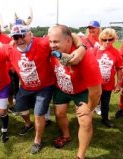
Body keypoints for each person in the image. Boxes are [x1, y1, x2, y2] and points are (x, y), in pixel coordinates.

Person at [6, 24, 86, 154]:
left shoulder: (43, 43)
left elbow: (71, 35)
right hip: (25, 87)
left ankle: (37, 140)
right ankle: (28, 124)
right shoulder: (10, 49)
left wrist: (82, 47)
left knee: (39, 114)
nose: (19, 39)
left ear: (30, 34)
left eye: (22, 36)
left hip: (44, 87)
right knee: (20, 108)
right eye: (16, 37)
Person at [49, 25, 102, 159]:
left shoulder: (87, 59)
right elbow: (71, 34)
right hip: (61, 87)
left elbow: (96, 92)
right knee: (59, 114)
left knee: (85, 121)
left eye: (55, 42)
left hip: (81, 91)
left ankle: (80, 156)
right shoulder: (53, 44)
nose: (51, 45)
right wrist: (82, 46)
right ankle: (66, 136)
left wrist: (89, 107)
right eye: (50, 41)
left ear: (68, 41)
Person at [92, 28, 123, 128]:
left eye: (110, 39)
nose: (107, 42)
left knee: (105, 104)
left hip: (108, 84)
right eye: (104, 39)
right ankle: (87, 119)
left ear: (114, 39)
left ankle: (105, 119)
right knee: (91, 102)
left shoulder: (116, 52)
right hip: (94, 84)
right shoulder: (95, 51)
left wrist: (118, 83)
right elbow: (88, 66)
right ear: (100, 40)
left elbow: (119, 69)